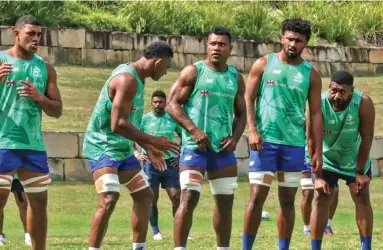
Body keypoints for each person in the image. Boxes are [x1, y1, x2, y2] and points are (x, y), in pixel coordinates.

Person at [0, 14, 62, 250]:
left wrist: (39, 97)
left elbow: (58, 110)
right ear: (16, 34)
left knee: (39, 203)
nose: (35, 39)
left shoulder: (46, 69)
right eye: (30, 34)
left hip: (33, 146)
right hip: (3, 143)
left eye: (38, 35)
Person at [82, 41, 180, 250]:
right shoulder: (127, 79)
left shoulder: (139, 78)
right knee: (109, 197)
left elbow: (130, 123)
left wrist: (148, 146)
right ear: (158, 61)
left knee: (144, 195)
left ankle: (139, 247)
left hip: (122, 149)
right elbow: (117, 124)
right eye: (166, 66)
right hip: (103, 146)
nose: (166, 71)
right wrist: (153, 140)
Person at [242, 18, 323, 250]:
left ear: (305, 44)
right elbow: (249, 98)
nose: (293, 44)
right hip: (264, 142)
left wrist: (316, 150)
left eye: (299, 40)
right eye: (290, 38)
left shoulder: (311, 74)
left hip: (293, 145)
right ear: (282, 38)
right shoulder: (263, 64)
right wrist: (253, 130)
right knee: (257, 197)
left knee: (287, 201)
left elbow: (316, 113)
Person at [167, 27, 247, 250]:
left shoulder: (235, 78)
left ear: (230, 49)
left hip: (222, 152)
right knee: (189, 198)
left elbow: (242, 114)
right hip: (195, 148)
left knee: (225, 203)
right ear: (206, 46)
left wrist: (234, 137)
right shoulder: (193, 72)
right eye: (212, 44)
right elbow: (172, 104)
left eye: (221, 44)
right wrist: (193, 130)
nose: (216, 48)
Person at [309, 71, 375, 250]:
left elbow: (367, 137)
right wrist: (318, 175)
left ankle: (366, 247)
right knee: (321, 198)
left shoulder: (363, 103)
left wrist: (360, 172)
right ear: (329, 87)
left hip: (353, 158)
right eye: (333, 90)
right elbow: (312, 139)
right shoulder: (319, 103)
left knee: (361, 197)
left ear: (352, 91)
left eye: (343, 92)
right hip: (326, 158)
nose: (337, 96)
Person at [133, 90, 182, 241]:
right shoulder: (145, 119)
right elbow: (131, 136)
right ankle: (156, 232)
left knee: (176, 196)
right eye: (155, 102)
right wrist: (136, 153)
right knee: (152, 198)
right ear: (151, 103)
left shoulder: (172, 119)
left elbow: (185, 137)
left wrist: (180, 156)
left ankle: (178, 230)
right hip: (150, 164)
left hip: (170, 164)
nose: (158, 104)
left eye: (160, 102)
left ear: (165, 103)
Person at [300, 156, 339, 236]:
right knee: (308, 193)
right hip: (308, 158)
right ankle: (307, 228)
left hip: (327, 157)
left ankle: (327, 225)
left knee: (333, 191)